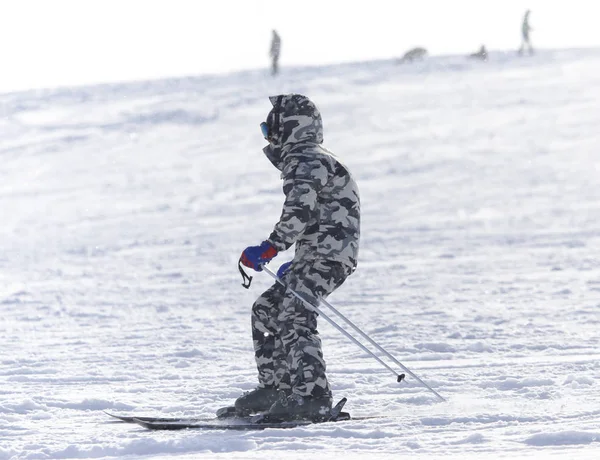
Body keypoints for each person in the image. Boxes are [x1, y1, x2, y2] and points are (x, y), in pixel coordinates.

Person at [236, 94, 360, 420]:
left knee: (294, 316)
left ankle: (311, 397)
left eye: (268, 128)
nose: (268, 136)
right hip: (319, 253)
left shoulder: (306, 160)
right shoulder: (311, 158)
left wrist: (270, 248)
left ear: (287, 128)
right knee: (267, 310)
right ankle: (277, 387)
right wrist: (300, 255)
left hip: (327, 255)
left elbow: (299, 211)